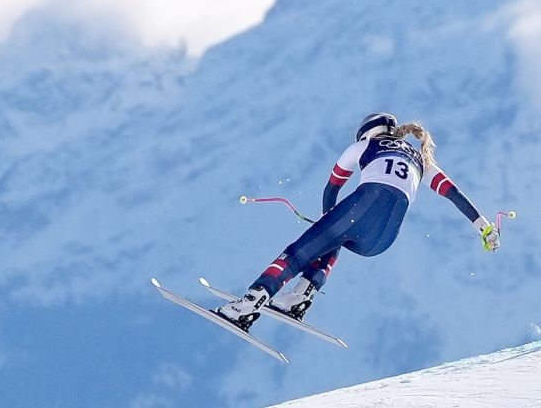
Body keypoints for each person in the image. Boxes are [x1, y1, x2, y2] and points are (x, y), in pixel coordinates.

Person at [214, 112, 500, 330]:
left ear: (365, 133)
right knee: (335, 236)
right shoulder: (422, 159)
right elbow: (455, 195)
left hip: (364, 205)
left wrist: (324, 223)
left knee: (300, 251)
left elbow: (332, 189)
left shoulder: (364, 146)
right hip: (383, 239)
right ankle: (301, 296)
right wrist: (485, 228)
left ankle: (248, 304)